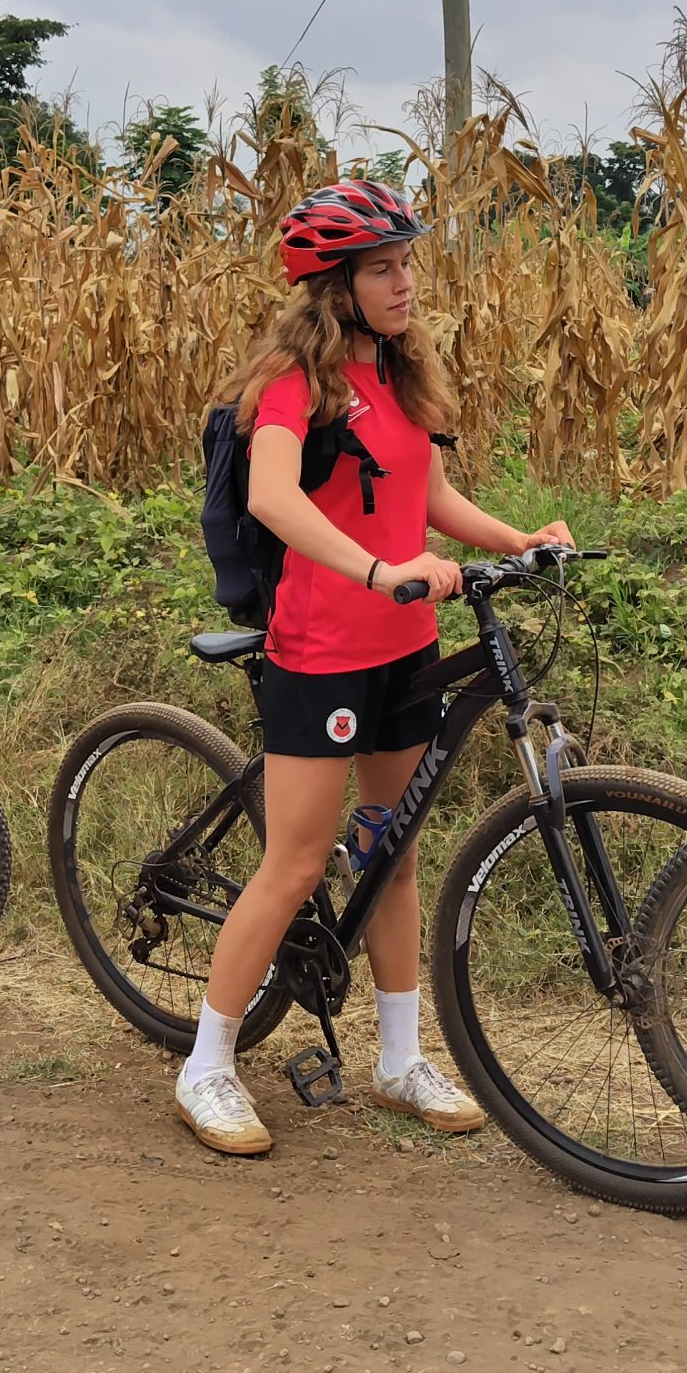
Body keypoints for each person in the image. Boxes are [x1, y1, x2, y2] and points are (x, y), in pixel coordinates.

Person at [173, 180, 572, 1156]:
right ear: (335, 287)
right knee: (297, 863)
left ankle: (399, 1060)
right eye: (383, 269)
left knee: (391, 854)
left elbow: (428, 498)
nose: (405, 284)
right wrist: (378, 571)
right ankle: (206, 1067)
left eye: (406, 265)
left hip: (404, 649)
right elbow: (273, 498)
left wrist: (519, 539)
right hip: (321, 651)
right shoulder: (291, 383)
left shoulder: (399, 377)